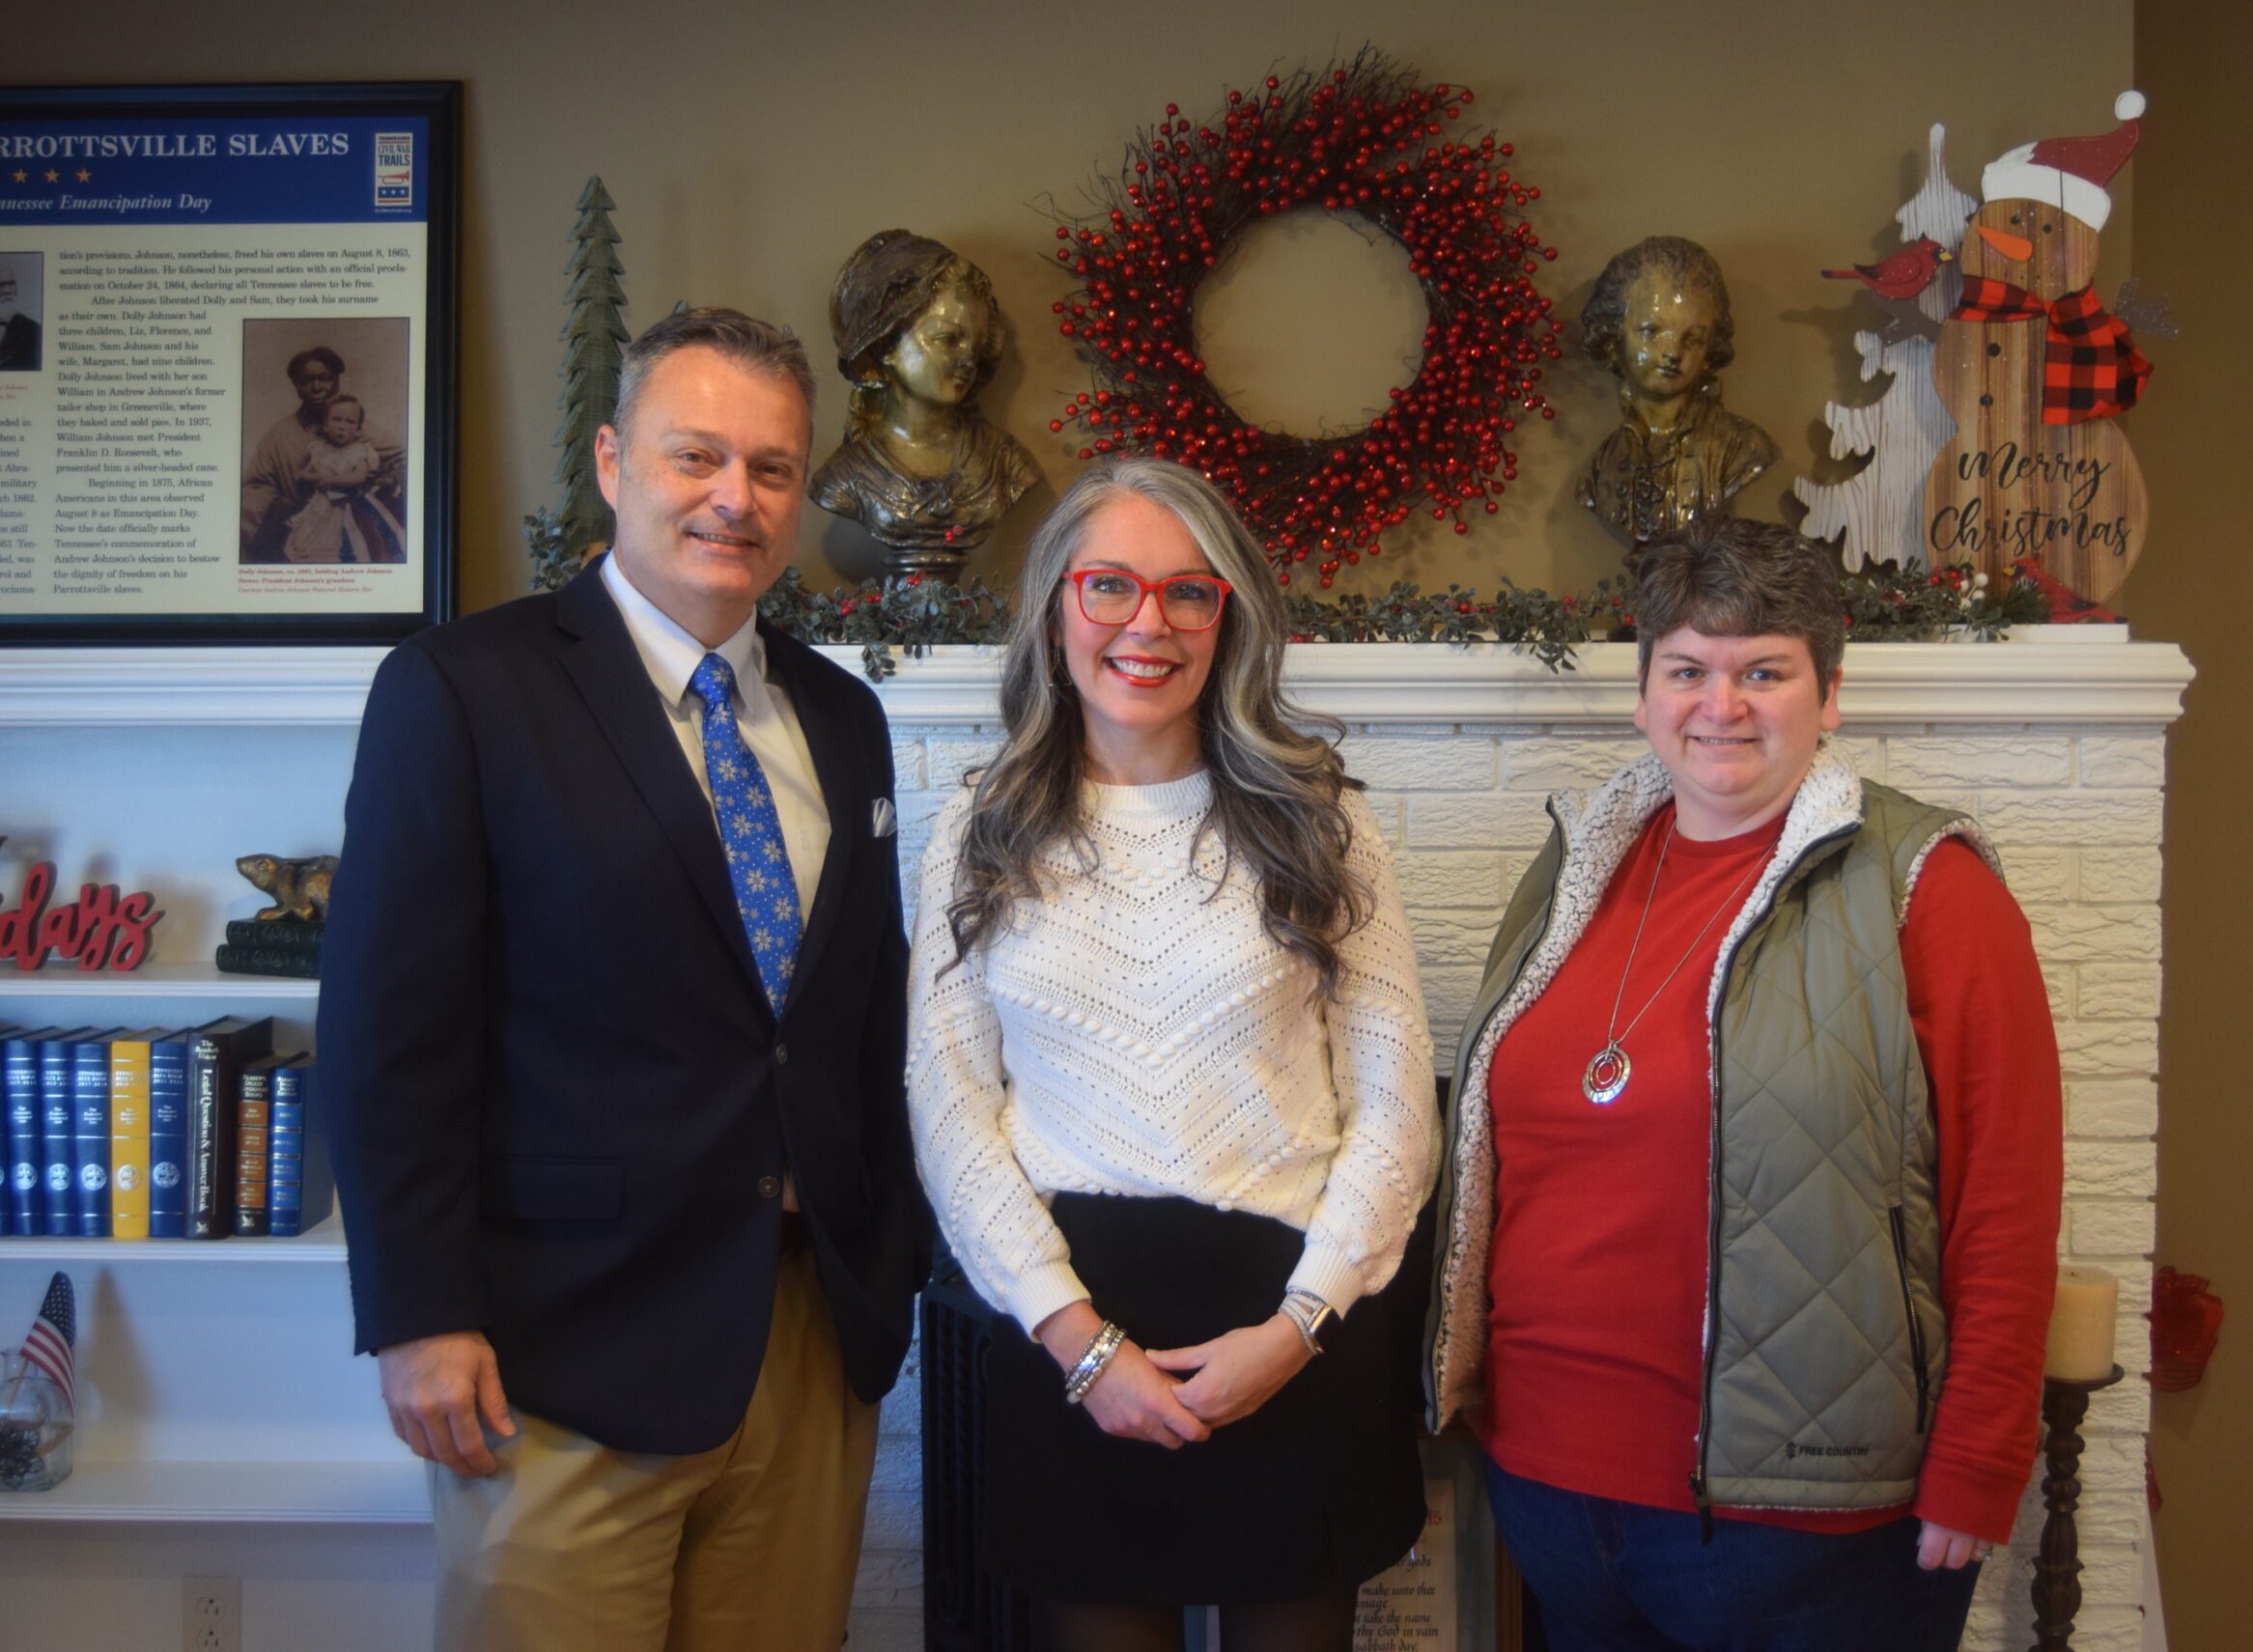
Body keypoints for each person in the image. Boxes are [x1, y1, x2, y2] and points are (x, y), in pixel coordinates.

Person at [321, 307, 928, 1652]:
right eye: (695, 454)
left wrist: (889, 1262)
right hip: (555, 1355)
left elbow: (862, 1011)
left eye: (772, 468)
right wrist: (418, 1313)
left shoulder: (843, 715)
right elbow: (385, 1032)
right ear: (611, 461)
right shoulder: (462, 689)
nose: (735, 497)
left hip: (804, 1342)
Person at [1427, 517, 2063, 1652]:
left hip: (1809, 1525)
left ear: (1827, 695)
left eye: (1763, 670)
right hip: (1551, 1488)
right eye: (1686, 669)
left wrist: (1979, 1458)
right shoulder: (1577, 865)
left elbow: (2005, 1196)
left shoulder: (1925, 884)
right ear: (1642, 694)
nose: (1719, 705)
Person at [908, 456, 1438, 1651]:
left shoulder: (1321, 820)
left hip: (1297, 1333)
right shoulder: (979, 829)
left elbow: (1397, 1103)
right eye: (1110, 587)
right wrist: (1080, 1345)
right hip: (1070, 1342)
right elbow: (948, 1114)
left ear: (1228, 619)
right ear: (1055, 610)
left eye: (1188, 593)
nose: (1148, 624)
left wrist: (1299, 1326)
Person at [809, 229, 1040, 576]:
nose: (968, 361)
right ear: (886, 345)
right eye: (947, 339)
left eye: (975, 345)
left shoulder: (1005, 463)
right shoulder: (843, 476)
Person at [1576, 237, 1780, 553]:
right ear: (1614, 337)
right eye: (1651, 331)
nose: (1672, 352)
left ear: (1711, 347)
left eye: (1693, 338)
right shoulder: (1599, 469)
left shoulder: (1745, 448)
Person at [239, 345, 404, 561]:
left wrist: (383, 483)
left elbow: (406, 463)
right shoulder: (279, 436)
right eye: (306, 381)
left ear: (336, 380)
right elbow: (253, 489)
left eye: (325, 378)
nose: (316, 387)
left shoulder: (360, 430)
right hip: (299, 529)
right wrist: (287, 510)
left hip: (354, 530)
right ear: (296, 386)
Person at [281, 394, 408, 564]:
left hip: (352, 503)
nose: (342, 427)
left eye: (350, 422)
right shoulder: (318, 449)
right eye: (337, 420)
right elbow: (305, 473)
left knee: (358, 540)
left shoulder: (361, 450)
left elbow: (359, 477)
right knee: (313, 538)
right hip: (323, 502)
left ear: (358, 429)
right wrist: (316, 478)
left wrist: (330, 480)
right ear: (325, 426)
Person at [0, 265, 39, 371]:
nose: (8, 291)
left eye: (11, 284)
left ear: (16, 287)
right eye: (1, 285)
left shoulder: (34, 330)